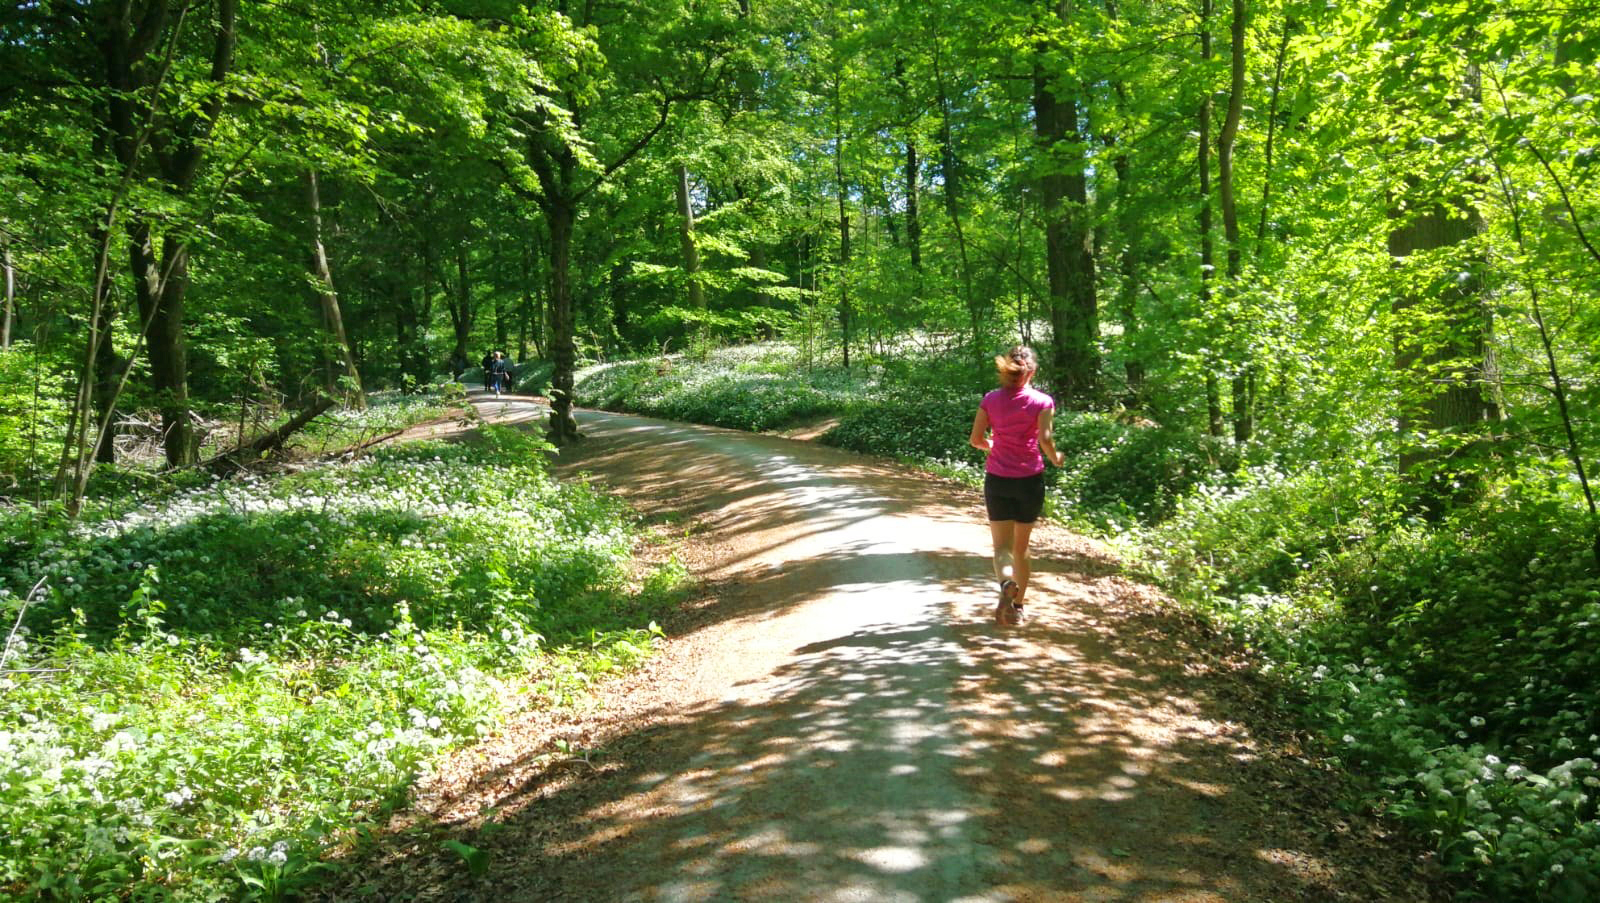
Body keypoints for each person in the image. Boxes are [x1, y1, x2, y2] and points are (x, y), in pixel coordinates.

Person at [969, 345, 1064, 624]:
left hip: (998, 480)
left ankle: (1005, 583)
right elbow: (1045, 440)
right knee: (1022, 548)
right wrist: (1056, 457)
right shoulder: (1042, 401)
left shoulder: (990, 400)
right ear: (1032, 371)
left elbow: (975, 439)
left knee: (1001, 548)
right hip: (1029, 481)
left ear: (1005, 371)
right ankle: (1018, 607)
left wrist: (995, 445)